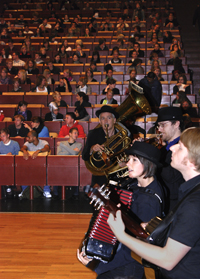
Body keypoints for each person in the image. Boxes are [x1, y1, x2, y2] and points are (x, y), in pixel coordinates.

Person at [107, 127, 200, 279]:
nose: (172, 147)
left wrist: (121, 235)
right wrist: (156, 227)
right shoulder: (190, 191)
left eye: (181, 147)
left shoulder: (194, 204)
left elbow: (167, 259)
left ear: (192, 160)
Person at [78, 141, 164, 279]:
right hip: (119, 262)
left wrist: (98, 266)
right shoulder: (139, 186)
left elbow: (136, 248)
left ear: (149, 164)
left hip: (125, 269)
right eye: (129, 159)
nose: (128, 163)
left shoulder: (148, 201)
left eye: (134, 160)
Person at [82, 105, 128, 187]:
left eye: (109, 118)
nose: (106, 121)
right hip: (99, 178)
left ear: (114, 120)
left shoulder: (123, 136)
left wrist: (125, 163)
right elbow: (84, 156)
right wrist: (92, 149)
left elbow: (128, 156)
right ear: (100, 121)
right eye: (103, 118)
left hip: (118, 178)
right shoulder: (93, 134)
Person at [156, 107, 185, 213]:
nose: (159, 129)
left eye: (163, 125)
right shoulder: (164, 149)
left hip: (176, 204)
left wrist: (151, 156)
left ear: (176, 124)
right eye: (159, 125)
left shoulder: (185, 147)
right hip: (163, 199)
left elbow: (171, 176)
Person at [19, 130, 51, 198]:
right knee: (22, 172)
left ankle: (46, 190)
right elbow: (22, 148)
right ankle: (24, 191)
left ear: (34, 138)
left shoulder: (43, 142)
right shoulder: (28, 143)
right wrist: (24, 151)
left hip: (41, 166)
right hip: (30, 166)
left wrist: (38, 151)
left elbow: (47, 148)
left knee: (48, 171)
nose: (27, 138)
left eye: (29, 137)